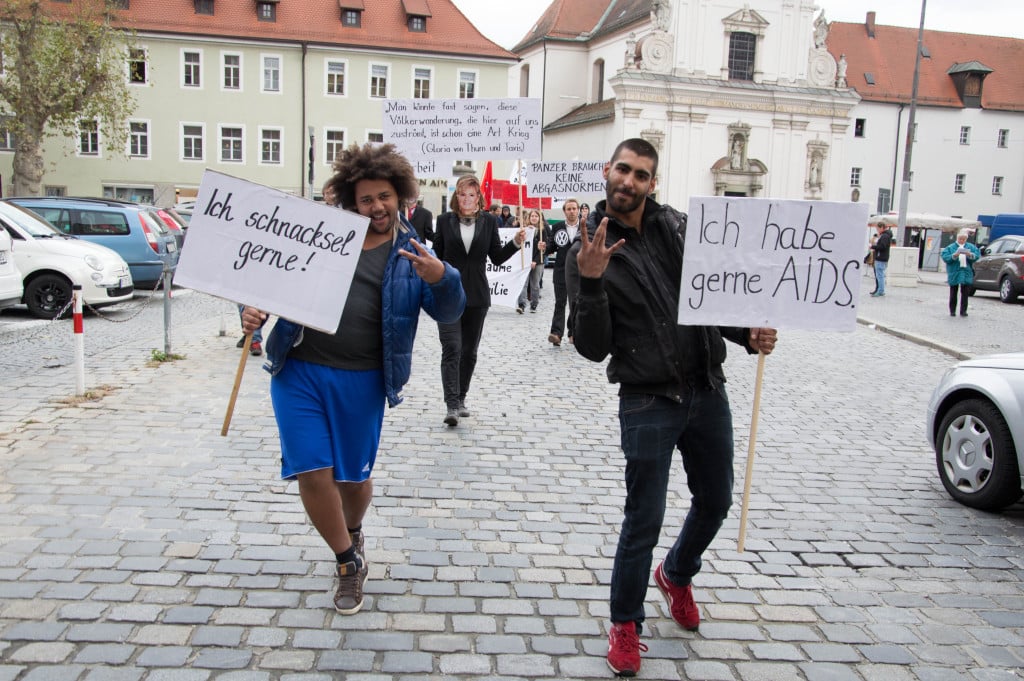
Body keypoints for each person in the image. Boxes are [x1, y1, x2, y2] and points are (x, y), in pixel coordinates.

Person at [565, 138, 778, 677]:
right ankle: (625, 624)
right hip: (647, 400)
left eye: (640, 174)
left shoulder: (681, 228)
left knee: (718, 501)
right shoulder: (587, 248)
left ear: (651, 183)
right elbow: (591, 347)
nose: (628, 181)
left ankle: (677, 573)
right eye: (622, 170)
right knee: (644, 517)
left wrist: (748, 333)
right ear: (606, 171)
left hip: (706, 389)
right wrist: (590, 282)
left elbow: (713, 299)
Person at [241, 143, 465, 616]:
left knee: (353, 481)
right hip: (299, 369)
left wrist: (441, 275)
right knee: (312, 471)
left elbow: (451, 310)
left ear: (400, 196)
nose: (376, 207)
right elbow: (266, 277)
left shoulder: (411, 252)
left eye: (384, 196)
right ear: (350, 200)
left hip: (362, 380)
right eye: (365, 199)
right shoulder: (319, 236)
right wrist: (252, 314)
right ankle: (348, 562)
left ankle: (354, 529)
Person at [433, 174, 525, 426]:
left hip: (477, 295)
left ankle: (461, 397)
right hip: (448, 295)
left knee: (469, 352)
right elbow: (437, 257)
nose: (466, 199)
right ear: (456, 196)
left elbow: (496, 256)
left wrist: (516, 243)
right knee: (451, 348)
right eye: (462, 194)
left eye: (471, 194)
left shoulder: (489, 222)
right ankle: (451, 405)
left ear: (479, 198)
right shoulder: (443, 221)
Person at [546, 197, 583, 346]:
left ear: (578, 210)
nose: (572, 211)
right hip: (561, 270)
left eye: (574, 208)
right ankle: (556, 333)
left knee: (576, 302)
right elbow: (552, 247)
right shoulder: (558, 227)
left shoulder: (585, 227)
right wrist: (544, 247)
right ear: (564, 211)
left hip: (579, 271)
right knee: (560, 302)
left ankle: (573, 332)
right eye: (569, 209)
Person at [941, 228, 980, 317]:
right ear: (957, 239)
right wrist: (954, 255)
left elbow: (977, 255)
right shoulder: (951, 247)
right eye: (960, 239)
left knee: (965, 293)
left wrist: (970, 255)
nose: (962, 241)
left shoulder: (970, 247)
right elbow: (945, 257)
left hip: (966, 272)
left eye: (964, 239)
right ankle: (952, 311)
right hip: (954, 272)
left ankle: (963, 311)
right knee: (953, 292)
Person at [516, 208, 547, 314]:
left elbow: (544, 249)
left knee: (535, 284)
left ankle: (534, 304)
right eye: (532, 216)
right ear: (529, 218)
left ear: (539, 218)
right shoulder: (525, 230)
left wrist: (536, 260)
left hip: (538, 261)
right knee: (523, 283)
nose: (534, 218)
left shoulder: (543, 231)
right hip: (525, 261)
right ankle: (522, 304)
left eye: (536, 216)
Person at [870, 222, 893, 296]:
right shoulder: (886, 236)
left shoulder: (884, 236)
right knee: (880, 275)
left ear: (881, 228)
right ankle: (880, 290)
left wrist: (873, 247)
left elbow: (882, 247)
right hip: (883, 257)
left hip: (881, 258)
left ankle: (880, 291)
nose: (877, 230)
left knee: (880, 275)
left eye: (877, 228)